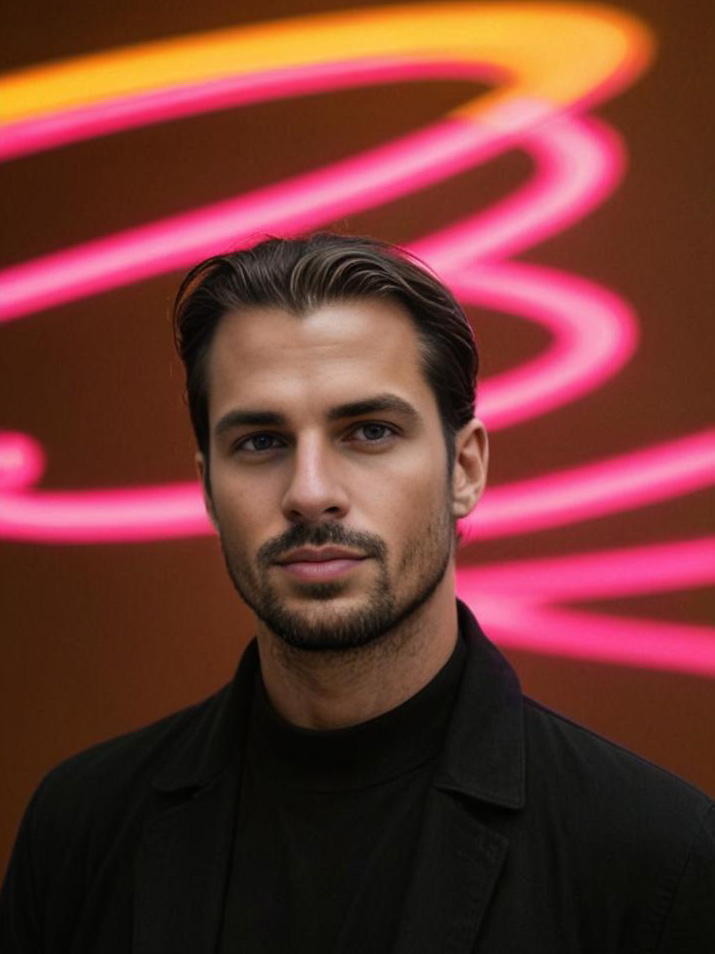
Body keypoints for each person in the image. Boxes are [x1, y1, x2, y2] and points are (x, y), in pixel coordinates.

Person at [1, 233, 713, 953]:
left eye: (368, 431)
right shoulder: (80, 830)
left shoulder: (657, 857)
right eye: (259, 442)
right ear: (208, 487)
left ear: (463, 469)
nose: (311, 494)